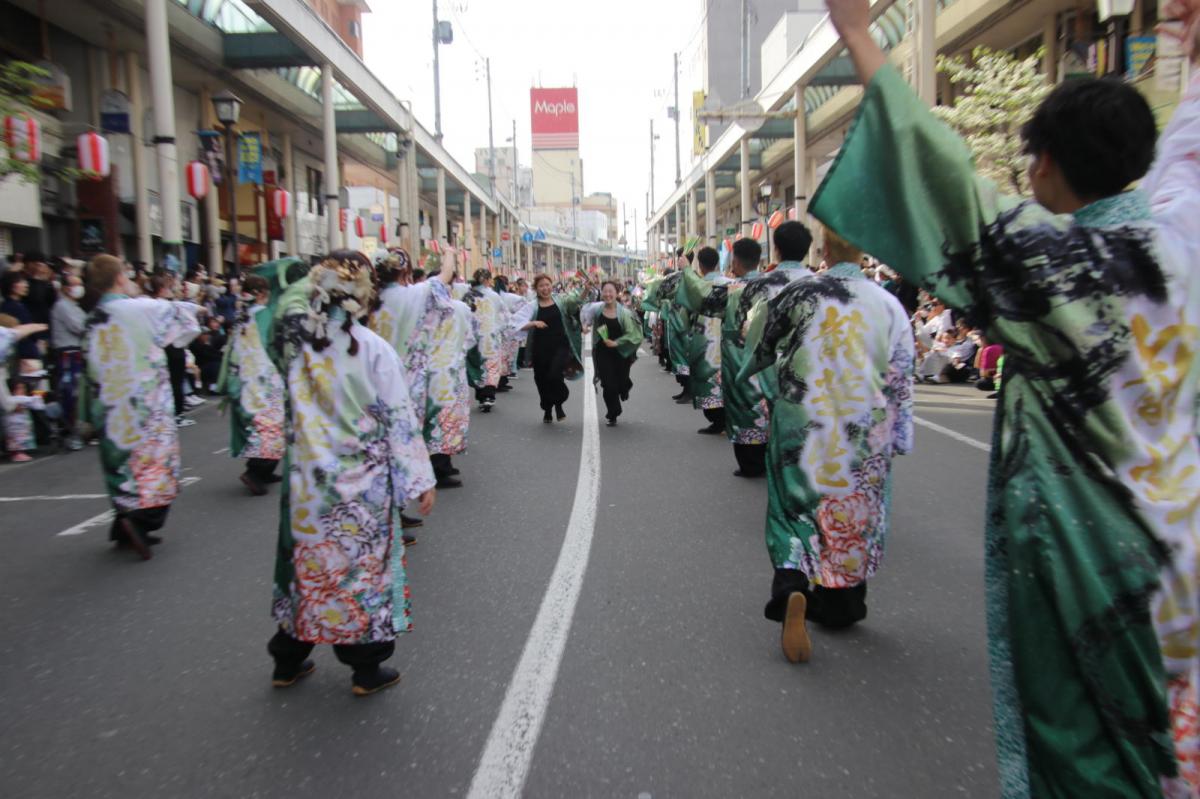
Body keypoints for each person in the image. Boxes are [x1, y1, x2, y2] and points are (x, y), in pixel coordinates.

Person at [817, 0, 1200, 793]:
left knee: (1090, 754)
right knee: (1162, 748)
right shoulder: (1181, 238)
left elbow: (942, 175)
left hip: (1093, 552)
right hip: (1179, 534)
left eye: (1031, 159)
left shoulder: (1055, 260)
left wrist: (857, 35)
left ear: (1049, 161)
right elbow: (1190, 162)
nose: (1027, 175)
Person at [266, 249, 436, 697]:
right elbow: (399, 418)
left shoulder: (294, 344)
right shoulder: (373, 349)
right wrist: (419, 480)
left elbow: (277, 320)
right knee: (361, 572)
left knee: (307, 567)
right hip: (362, 486)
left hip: (307, 484)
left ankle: (288, 657)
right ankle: (365, 667)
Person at [78, 255, 203, 560]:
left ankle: (123, 524)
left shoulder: (92, 318)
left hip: (109, 403)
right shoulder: (142, 308)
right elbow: (184, 314)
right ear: (120, 278)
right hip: (146, 402)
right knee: (156, 464)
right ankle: (141, 522)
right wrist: (196, 303)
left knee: (120, 465)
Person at [677, 237, 774, 476]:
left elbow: (701, 298)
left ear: (736, 261)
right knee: (769, 403)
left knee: (744, 404)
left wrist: (686, 271)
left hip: (740, 354)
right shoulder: (781, 286)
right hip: (772, 357)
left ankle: (750, 463)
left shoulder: (734, 290)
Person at [371, 247, 458, 488]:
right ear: (406, 270)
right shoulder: (416, 294)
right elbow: (446, 274)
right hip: (408, 382)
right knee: (403, 442)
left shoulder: (366, 299)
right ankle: (397, 503)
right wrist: (449, 253)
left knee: (375, 444)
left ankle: (385, 503)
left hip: (368, 380)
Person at [218, 272, 286, 496]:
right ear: (263, 294)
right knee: (271, 427)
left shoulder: (242, 316)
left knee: (257, 426)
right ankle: (256, 472)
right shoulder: (265, 315)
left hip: (244, 378)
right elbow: (273, 346)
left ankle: (263, 470)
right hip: (263, 379)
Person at [511, 273, 588, 422]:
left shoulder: (560, 300)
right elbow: (515, 322)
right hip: (540, 349)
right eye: (541, 286)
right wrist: (534, 323)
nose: (545, 288)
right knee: (541, 380)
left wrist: (585, 290)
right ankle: (547, 409)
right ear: (536, 289)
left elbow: (575, 302)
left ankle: (559, 403)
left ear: (551, 285)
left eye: (547, 285)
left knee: (555, 375)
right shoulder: (532, 305)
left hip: (561, 346)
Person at [677, 246, 729, 435]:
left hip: (705, 338)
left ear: (700, 265)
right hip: (729, 340)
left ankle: (717, 420)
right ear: (717, 263)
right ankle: (726, 419)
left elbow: (684, 312)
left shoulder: (697, 283)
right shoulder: (730, 283)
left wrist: (686, 270)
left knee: (708, 381)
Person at [581, 279, 641, 426]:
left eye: (611, 291)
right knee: (608, 384)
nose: (607, 294)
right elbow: (585, 315)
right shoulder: (597, 308)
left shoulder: (625, 313)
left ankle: (625, 385)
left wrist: (616, 342)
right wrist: (585, 326)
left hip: (621, 352)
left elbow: (635, 335)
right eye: (605, 291)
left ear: (616, 293)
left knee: (621, 381)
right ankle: (613, 413)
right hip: (603, 351)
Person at [50, 271, 88, 450]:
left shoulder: (75, 306)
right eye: (75, 284)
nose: (79, 288)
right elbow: (79, 326)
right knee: (69, 394)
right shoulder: (62, 306)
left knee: (76, 394)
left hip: (76, 352)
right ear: (65, 288)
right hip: (67, 353)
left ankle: (76, 432)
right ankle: (70, 434)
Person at [464, 268, 506, 413]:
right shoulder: (494, 296)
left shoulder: (468, 295)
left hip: (474, 337)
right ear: (488, 280)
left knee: (477, 365)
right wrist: (501, 328)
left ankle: (482, 396)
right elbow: (503, 315)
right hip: (491, 335)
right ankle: (489, 395)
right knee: (492, 366)